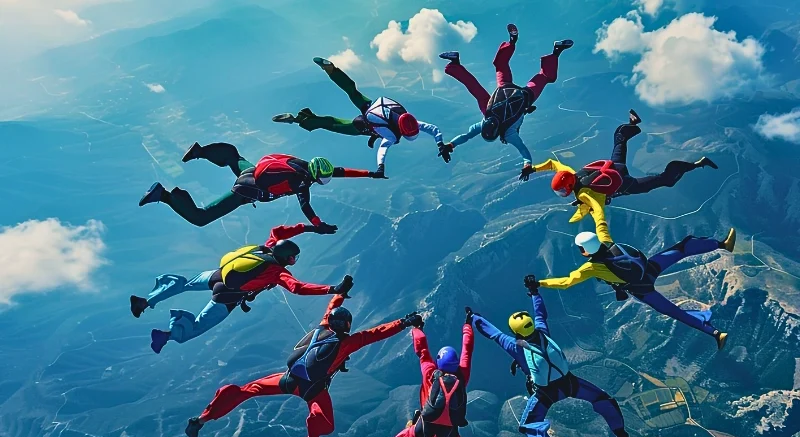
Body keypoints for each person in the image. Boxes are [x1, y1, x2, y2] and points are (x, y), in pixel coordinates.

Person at [184, 301, 423, 437]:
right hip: (313, 390)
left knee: (246, 390)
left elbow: (332, 307)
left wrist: (340, 291)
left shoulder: (322, 327)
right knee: (325, 423)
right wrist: (405, 322)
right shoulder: (348, 342)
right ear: (347, 325)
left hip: (288, 379)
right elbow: (377, 333)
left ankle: (201, 419)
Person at [471, 276, 642, 437]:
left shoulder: (514, 346)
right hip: (570, 383)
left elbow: (493, 333)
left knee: (528, 424)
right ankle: (622, 436)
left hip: (546, 393)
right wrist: (534, 292)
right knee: (604, 399)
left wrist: (474, 318)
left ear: (515, 332)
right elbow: (540, 314)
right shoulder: (542, 332)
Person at [129, 223, 353, 354]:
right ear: (286, 257)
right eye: (293, 258)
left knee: (185, 284)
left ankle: (146, 301)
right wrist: (333, 288)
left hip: (218, 275)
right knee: (197, 327)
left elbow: (277, 231)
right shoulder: (276, 272)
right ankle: (167, 335)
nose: (294, 261)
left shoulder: (267, 247)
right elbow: (297, 288)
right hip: (226, 297)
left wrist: (310, 228)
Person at [532, 217, 737, 349]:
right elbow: (601, 220)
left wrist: (540, 283)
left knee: (675, 312)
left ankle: (716, 334)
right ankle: (722, 244)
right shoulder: (607, 241)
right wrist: (591, 202)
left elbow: (566, 282)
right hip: (649, 267)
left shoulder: (591, 267)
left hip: (642, 289)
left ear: (584, 251)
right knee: (682, 248)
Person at [341, 310, 474, 437]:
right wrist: (467, 325)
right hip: (449, 435)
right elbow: (467, 350)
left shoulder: (430, 372)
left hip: (422, 428)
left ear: (439, 362)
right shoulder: (462, 376)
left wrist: (417, 328)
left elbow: (422, 350)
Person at [531, 109, 719, 224]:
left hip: (626, 183)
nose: (562, 193)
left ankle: (694, 164)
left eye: (562, 190)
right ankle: (631, 124)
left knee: (666, 181)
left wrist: (585, 206)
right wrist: (533, 169)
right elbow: (555, 164)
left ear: (569, 186)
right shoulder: (574, 174)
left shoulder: (584, 192)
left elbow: (597, 208)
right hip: (615, 167)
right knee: (619, 142)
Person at [272, 57, 450, 177]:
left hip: (371, 106)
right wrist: (380, 168)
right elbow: (383, 149)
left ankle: (331, 69)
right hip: (362, 125)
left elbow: (433, 129)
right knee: (332, 124)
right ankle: (296, 119)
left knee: (352, 90)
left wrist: (440, 144)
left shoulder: (408, 120)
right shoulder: (392, 135)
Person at [438, 24, 573, 179]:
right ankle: (510, 42)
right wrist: (449, 145)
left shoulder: (508, 134)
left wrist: (527, 165)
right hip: (505, 87)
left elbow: (523, 151)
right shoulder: (487, 117)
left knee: (544, 77)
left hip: (525, 96)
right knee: (498, 68)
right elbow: (467, 135)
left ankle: (556, 51)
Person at [139, 142, 381, 228]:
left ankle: (201, 151)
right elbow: (306, 206)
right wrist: (319, 225)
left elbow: (339, 171)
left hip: (251, 171)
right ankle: (165, 195)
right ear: (315, 176)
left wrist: (370, 174)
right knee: (201, 217)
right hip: (246, 189)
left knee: (233, 156)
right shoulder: (301, 183)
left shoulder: (305, 164)